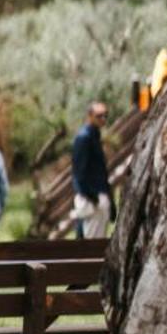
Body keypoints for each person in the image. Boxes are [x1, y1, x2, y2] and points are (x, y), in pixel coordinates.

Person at [71, 102, 112, 238]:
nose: (103, 119)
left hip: (98, 197)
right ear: (89, 116)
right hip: (91, 200)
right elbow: (79, 173)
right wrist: (93, 198)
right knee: (91, 243)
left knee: (95, 241)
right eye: (99, 116)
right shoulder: (84, 138)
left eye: (106, 115)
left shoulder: (94, 136)